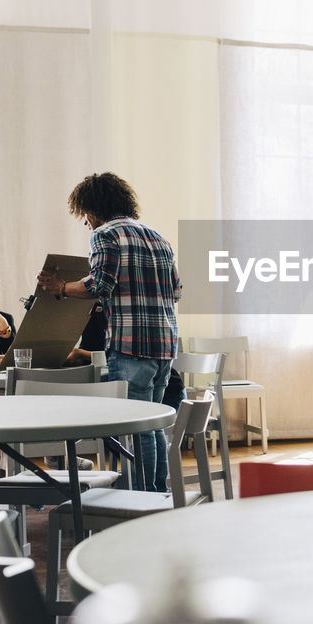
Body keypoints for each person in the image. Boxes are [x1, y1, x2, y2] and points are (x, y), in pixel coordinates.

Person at [38, 172, 181, 493]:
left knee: (135, 428)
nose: (87, 223)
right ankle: (158, 494)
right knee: (153, 424)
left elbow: (99, 284)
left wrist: (60, 287)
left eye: (85, 217)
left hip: (131, 346)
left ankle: (144, 497)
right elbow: (176, 290)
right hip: (166, 346)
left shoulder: (105, 234)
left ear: (90, 209)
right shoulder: (158, 237)